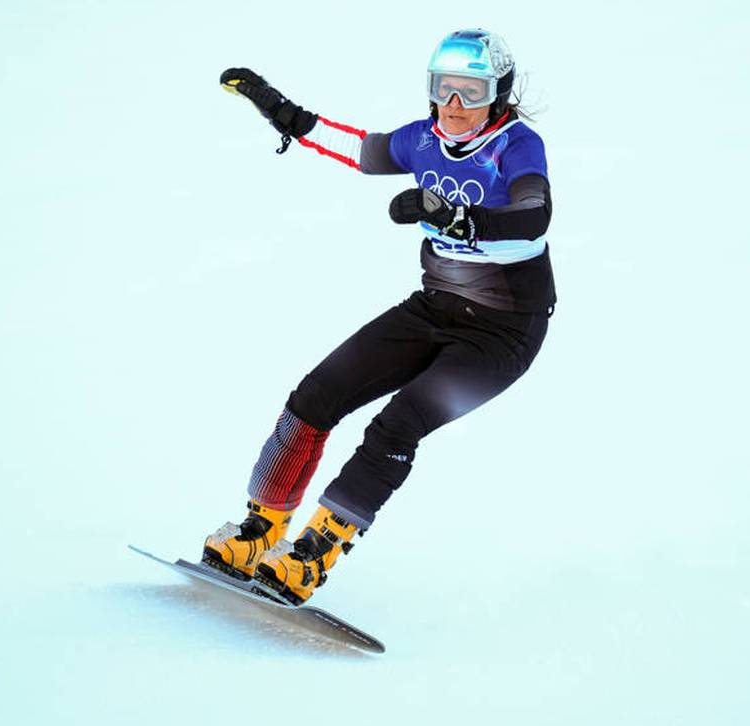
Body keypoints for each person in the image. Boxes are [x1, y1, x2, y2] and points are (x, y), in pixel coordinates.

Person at [203, 29, 555, 605]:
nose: (456, 106)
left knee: (397, 425)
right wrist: (289, 115)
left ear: (499, 94)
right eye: (446, 90)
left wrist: (464, 219)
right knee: (315, 397)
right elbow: (361, 149)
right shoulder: (424, 140)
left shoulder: (517, 146)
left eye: (472, 92)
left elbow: (532, 216)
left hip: (505, 332)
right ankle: (259, 532)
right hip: (435, 305)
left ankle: (312, 556)